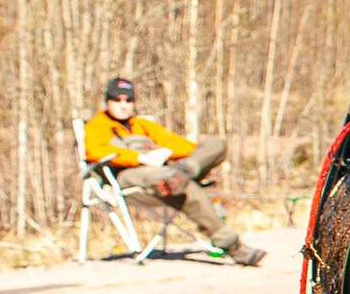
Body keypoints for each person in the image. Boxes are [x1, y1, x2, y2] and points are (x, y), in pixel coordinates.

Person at [83, 78, 266, 266]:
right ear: (107, 101)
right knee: (182, 184)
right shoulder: (96, 125)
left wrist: (167, 151)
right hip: (127, 177)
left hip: (165, 172)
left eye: (128, 100)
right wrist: (141, 158)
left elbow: (181, 144)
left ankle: (182, 173)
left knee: (215, 145)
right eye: (117, 99)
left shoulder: (142, 124)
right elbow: (95, 152)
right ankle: (232, 245)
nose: (123, 105)